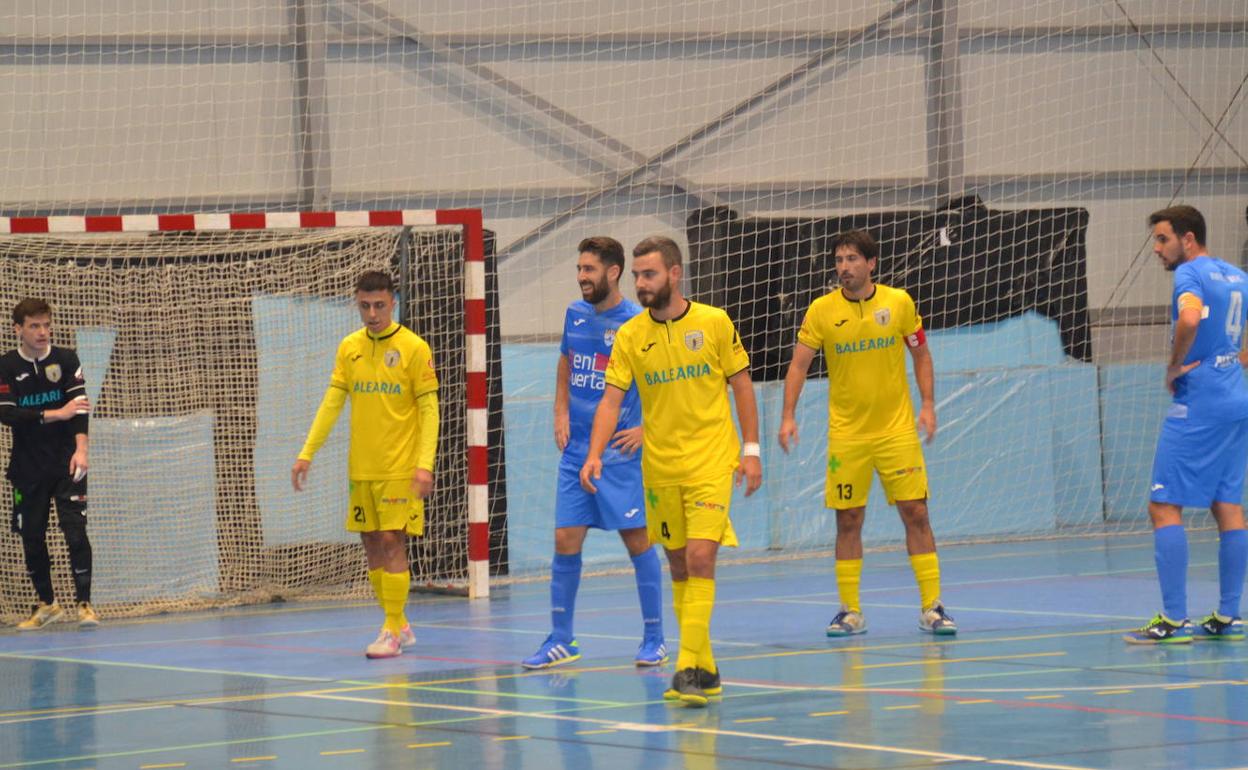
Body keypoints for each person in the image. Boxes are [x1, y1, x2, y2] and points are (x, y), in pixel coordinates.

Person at [581, 235, 763, 707]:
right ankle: (707, 668)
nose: (640, 283)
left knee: (702, 558)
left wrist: (752, 450)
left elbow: (741, 386)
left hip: (710, 463)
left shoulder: (714, 323)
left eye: (649, 274)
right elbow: (611, 399)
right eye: (638, 275)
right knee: (679, 564)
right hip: (660, 469)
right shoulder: (631, 336)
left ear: (675, 273)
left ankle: (685, 665)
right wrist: (595, 453)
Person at [778, 228, 956, 637]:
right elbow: (799, 365)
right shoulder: (821, 310)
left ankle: (932, 606)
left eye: (852, 259)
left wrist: (927, 405)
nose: (844, 267)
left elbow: (921, 354)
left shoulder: (898, 303)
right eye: (839, 260)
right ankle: (850, 611)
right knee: (848, 520)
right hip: (848, 436)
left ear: (871, 263)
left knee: (916, 513)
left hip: (896, 433)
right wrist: (788, 415)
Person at [522, 237, 667, 669]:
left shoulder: (638, 323)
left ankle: (655, 638)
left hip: (620, 452)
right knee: (565, 539)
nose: (582, 277)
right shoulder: (574, 313)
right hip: (577, 450)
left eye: (589, 269)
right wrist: (560, 407)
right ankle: (561, 638)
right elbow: (567, 360)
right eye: (579, 269)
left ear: (613, 272)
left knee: (638, 541)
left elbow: (663, 381)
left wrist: (647, 427)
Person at [291, 270, 440, 658]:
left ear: (393, 302)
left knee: (392, 540)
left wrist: (424, 464)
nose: (372, 314)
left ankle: (391, 630)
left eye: (379, 305)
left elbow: (429, 409)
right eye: (364, 306)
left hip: (400, 467)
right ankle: (400, 622)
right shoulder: (350, 348)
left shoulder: (414, 348)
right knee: (371, 541)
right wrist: (307, 452)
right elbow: (332, 403)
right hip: (362, 467)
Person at [1124, 205, 1248, 644]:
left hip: (1201, 404)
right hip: (1235, 398)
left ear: (1188, 239)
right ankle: (1228, 617)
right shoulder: (1237, 276)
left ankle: (1174, 621)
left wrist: (1174, 367)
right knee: (1227, 505)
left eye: (1162, 239)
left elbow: (1190, 320)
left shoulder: (1190, 276)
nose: (1157, 249)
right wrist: (1232, 364)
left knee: (1163, 506)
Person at [0, 298, 98, 630]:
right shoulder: (7, 366)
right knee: (31, 536)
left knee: (75, 533)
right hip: (27, 468)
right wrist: (56, 413)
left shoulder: (66, 359)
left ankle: (84, 604)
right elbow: (7, 413)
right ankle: (47, 604)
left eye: (46, 325)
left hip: (67, 463)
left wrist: (81, 450)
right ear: (19, 329)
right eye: (34, 326)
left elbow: (80, 408)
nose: (43, 332)